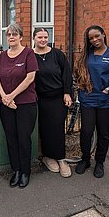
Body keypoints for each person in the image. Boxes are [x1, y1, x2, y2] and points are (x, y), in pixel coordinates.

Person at [73, 25, 109, 178]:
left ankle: (100, 162)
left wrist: (108, 89)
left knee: (103, 133)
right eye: (91, 38)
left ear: (103, 34)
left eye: (97, 36)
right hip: (87, 99)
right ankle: (85, 159)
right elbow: (78, 73)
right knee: (86, 131)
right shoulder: (86, 55)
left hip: (105, 100)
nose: (95, 40)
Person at [0, 24, 39, 189]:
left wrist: (11, 96)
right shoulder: (3, 55)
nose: (11, 37)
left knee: (23, 138)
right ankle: (16, 170)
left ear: (21, 37)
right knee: (11, 138)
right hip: (6, 104)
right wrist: (4, 97)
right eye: (8, 35)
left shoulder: (28, 53)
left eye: (14, 34)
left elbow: (30, 78)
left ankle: (25, 171)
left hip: (25, 104)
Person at [33, 28, 73, 178]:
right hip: (41, 98)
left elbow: (67, 74)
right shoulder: (31, 56)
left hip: (58, 97)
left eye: (45, 37)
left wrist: (67, 92)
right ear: (34, 38)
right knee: (45, 128)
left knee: (57, 127)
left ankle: (61, 159)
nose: (43, 40)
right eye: (40, 37)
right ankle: (48, 157)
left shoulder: (57, 54)